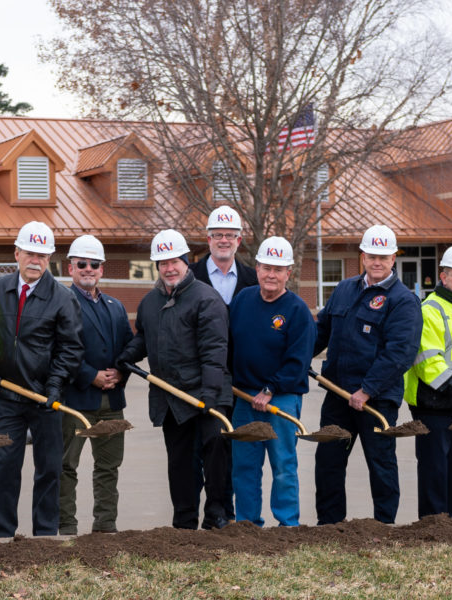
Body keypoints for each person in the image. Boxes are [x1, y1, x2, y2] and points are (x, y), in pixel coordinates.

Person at [0, 221, 83, 538]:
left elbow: (71, 348)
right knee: (4, 466)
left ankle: (45, 535)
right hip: (8, 398)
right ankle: (2, 533)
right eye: (30, 253)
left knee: (48, 469)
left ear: (50, 259)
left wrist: (54, 386)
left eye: (43, 255)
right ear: (17, 252)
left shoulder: (62, 298)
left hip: (46, 400)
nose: (36, 260)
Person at [116, 229, 232, 530]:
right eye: (162, 263)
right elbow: (145, 337)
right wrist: (126, 357)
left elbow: (214, 350)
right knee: (181, 463)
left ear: (185, 262)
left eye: (174, 262)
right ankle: (184, 521)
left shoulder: (207, 299)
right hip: (172, 398)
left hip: (209, 394)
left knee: (215, 455)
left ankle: (217, 515)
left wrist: (209, 394)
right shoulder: (150, 302)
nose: (169, 268)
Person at [314, 224, 422, 525]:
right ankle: (330, 526)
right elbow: (322, 330)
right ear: (363, 256)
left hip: (377, 400)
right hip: (337, 394)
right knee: (329, 462)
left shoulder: (403, 300)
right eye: (372, 255)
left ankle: (384, 526)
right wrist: (298, 357)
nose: (377, 262)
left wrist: (367, 390)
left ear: (393, 259)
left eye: (384, 257)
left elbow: (399, 353)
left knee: (381, 464)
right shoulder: (345, 289)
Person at [229, 237, 316, 527]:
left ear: (288, 273)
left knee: (283, 466)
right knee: (244, 467)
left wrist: (269, 390)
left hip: (281, 399)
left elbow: (298, 362)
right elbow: (229, 345)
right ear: (257, 268)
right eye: (267, 267)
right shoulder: (242, 300)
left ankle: (288, 524)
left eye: (278, 270)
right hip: (243, 399)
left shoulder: (297, 311)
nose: (271, 275)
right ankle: (247, 524)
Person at [58, 235, 134, 535]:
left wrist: (120, 372)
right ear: (71, 267)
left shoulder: (114, 306)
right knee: (66, 467)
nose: (88, 269)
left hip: (112, 404)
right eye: (82, 264)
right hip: (76, 400)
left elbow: (127, 346)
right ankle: (65, 527)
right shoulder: (62, 302)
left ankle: (105, 526)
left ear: (102, 269)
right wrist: (89, 374)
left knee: (108, 467)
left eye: (94, 264)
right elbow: (59, 349)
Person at [404, 244, 452, 522]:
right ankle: (434, 523)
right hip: (433, 402)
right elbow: (428, 361)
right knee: (435, 468)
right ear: (443, 276)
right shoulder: (430, 309)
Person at [189, 205, 257, 521]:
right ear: (209, 238)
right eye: (218, 235)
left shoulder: (253, 279)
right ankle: (206, 511)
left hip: (239, 380)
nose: (224, 240)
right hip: (200, 376)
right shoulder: (191, 277)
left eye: (230, 235)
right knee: (202, 448)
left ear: (239, 240)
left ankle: (223, 512)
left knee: (227, 447)